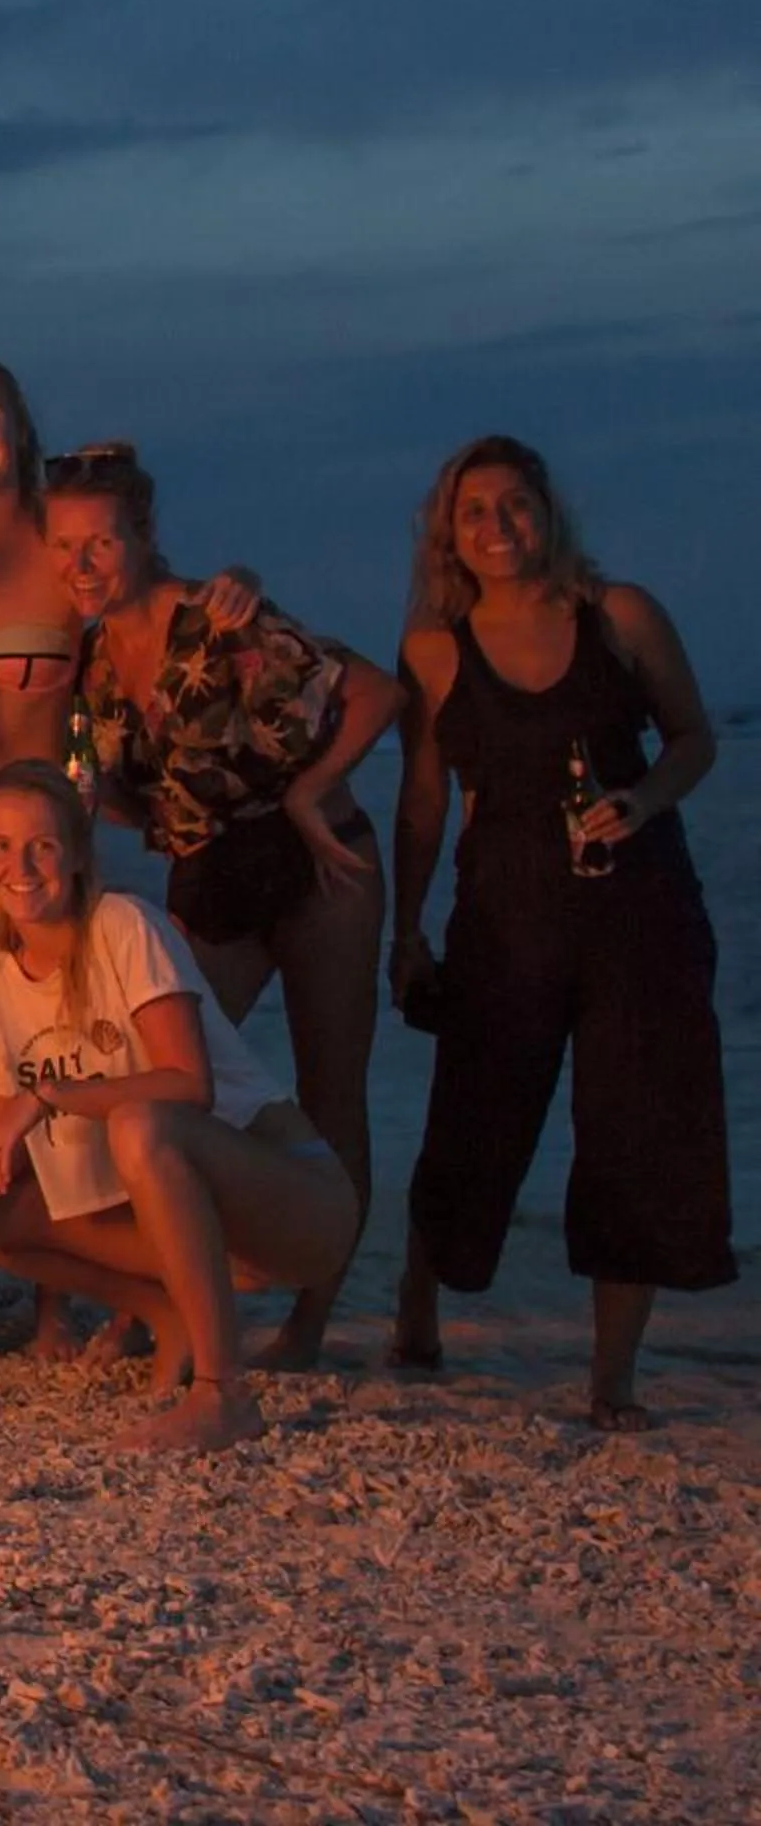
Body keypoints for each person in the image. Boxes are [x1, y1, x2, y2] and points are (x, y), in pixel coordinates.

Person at [0, 357, 257, 1352]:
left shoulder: (57, 542)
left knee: (74, 1062)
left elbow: (145, 608)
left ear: (20, 423)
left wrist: (233, 590)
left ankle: (70, 1298)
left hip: (37, 861)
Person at [387, 435, 732, 1430]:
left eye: (515, 503)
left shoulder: (619, 614)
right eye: (474, 511)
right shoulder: (434, 647)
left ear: (549, 508)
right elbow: (422, 798)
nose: (498, 525)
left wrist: (643, 797)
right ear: (448, 533)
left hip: (642, 913)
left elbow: (693, 736)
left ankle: (612, 1380)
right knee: (474, 1122)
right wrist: (406, 932)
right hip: (504, 913)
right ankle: (417, 1307)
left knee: (639, 1133)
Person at [48, 442, 403, 1370]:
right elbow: (142, 791)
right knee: (163, 1071)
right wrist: (102, 809)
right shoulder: (88, 666)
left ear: (143, 536)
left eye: (100, 544)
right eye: (65, 548)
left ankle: (309, 1326)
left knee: (331, 1093)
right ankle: (150, 1301)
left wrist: (309, 790)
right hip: (211, 880)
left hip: (318, 863)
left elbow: (374, 692)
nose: (82, 567)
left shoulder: (219, 615)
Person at [0, 763, 359, 1452]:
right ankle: (168, 1314)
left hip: (297, 1205)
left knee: (142, 1123)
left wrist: (48, 1096)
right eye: (0, 846)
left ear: (77, 855)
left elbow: (187, 1085)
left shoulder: (123, 926)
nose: (21, 866)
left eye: (42, 846)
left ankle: (223, 1395)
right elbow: (0, 1159)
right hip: (184, 1236)